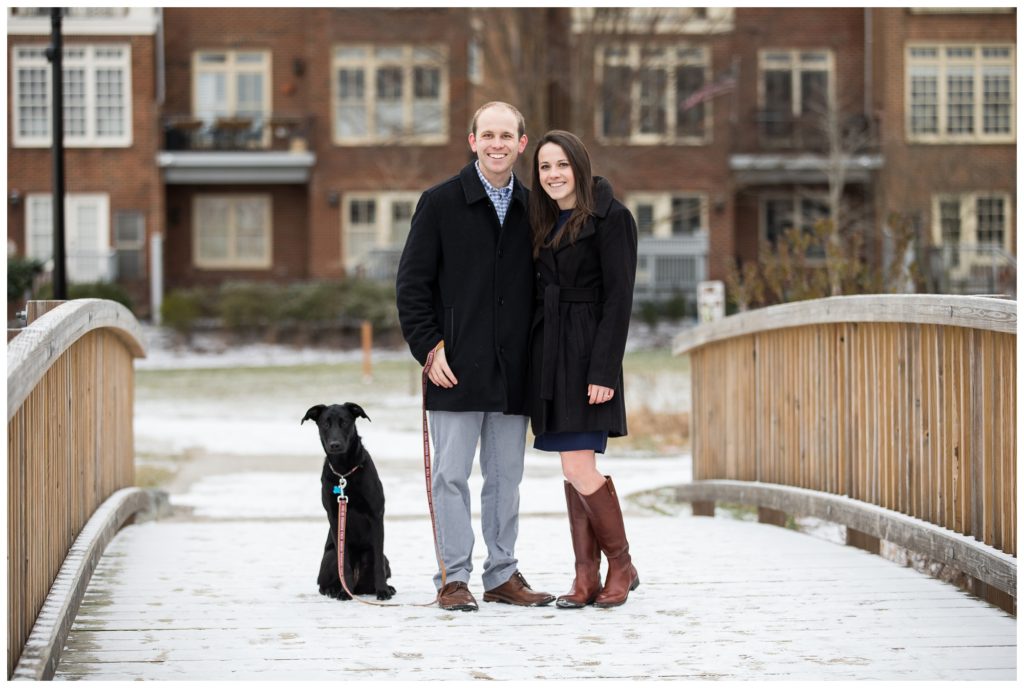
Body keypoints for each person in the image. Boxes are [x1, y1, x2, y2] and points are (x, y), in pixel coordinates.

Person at [396, 102, 555, 612]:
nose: (497, 144)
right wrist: (427, 347)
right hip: (454, 367)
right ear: (472, 140)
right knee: (450, 475)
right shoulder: (440, 203)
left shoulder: (537, 210)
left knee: (507, 477)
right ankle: (454, 578)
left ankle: (503, 574)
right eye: (488, 134)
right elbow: (411, 286)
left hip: (514, 371)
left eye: (507, 135)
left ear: (521, 144)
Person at [527, 130, 639, 608]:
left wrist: (603, 371)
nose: (552, 175)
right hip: (551, 354)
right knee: (572, 470)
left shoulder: (612, 218)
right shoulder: (547, 219)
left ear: (579, 166)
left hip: (587, 352)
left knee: (580, 466)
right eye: (544, 167)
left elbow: (619, 300)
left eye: (561, 165)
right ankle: (585, 576)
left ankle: (622, 565)